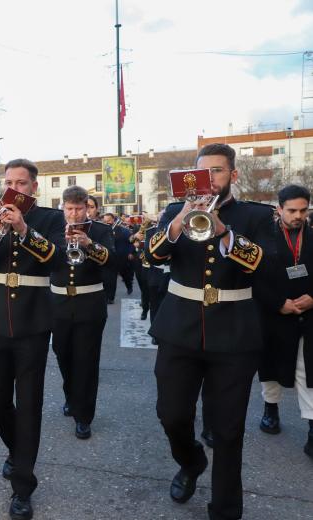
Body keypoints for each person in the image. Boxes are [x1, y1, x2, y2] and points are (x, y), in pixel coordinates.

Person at [146, 143, 274, 520]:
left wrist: (223, 233)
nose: (211, 179)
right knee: (171, 414)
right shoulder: (175, 211)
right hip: (179, 330)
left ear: (232, 175)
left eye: (217, 171)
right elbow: (151, 255)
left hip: (234, 333)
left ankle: (225, 510)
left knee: (228, 429)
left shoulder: (255, 215)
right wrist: (180, 218)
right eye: (204, 172)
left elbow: (264, 263)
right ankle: (190, 462)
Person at [0, 159, 63, 520]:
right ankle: (17, 450)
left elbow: (54, 260)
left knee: (29, 403)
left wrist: (23, 229)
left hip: (32, 323)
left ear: (34, 187)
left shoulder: (50, 219)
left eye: (21, 183)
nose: (14, 188)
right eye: (9, 182)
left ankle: (23, 485)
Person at [50, 186, 114, 441]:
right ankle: (70, 395)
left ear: (87, 208)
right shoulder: (55, 230)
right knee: (62, 354)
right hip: (58, 301)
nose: (74, 214)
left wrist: (90, 245)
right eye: (69, 209)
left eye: (78, 209)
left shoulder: (100, 230)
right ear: (63, 208)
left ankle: (84, 416)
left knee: (86, 361)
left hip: (90, 302)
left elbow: (113, 262)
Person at [256, 184, 313, 457]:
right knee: (270, 364)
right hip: (273, 314)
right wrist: (278, 303)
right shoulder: (263, 237)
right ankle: (271, 409)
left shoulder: (312, 236)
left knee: (308, 370)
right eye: (292, 210)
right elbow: (252, 277)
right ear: (279, 209)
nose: (298, 215)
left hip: (308, 314)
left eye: (303, 210)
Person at [102, 213, 132, 303]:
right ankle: (110, 297)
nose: (107, 222)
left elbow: (130, 241)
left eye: (109, 220)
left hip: (121, 257)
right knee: (111, 278)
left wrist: (130, 252)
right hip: (109, 258)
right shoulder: (103, 230)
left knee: (125, 274)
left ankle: (129, 286)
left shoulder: (123, 230)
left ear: (113, 220)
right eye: (105, 221)